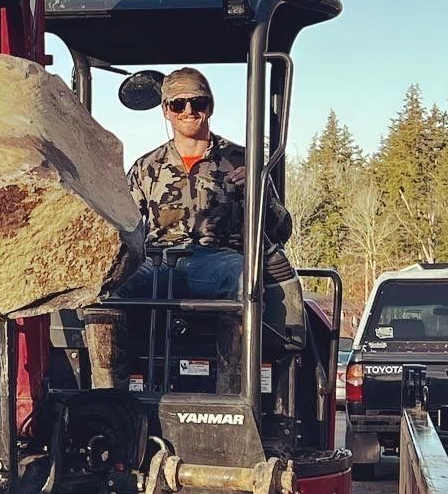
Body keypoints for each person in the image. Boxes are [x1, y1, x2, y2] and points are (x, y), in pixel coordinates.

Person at [84, 67, 304, 388]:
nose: (188, 111)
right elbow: (124, 225)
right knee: (103, 287)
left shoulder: (244, 160)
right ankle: (108, 399)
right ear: (166, 111)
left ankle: (233, 395)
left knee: (245, 278)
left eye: (197, 103)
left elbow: (281, 229)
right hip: (157, 263)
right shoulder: (147, 168)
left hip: (217, 260)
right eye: (178, 104)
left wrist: (256, 192)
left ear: (210, 107)